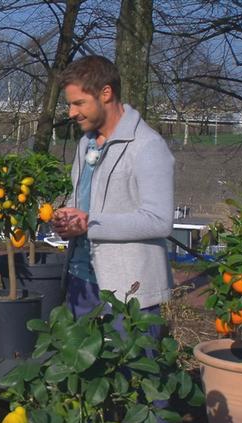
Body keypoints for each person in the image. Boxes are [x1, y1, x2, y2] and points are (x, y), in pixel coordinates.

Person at [52, 55, 175, 328]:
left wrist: (89, 223)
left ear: (106, 93)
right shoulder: (86, 144)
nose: (71, 113)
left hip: (129, 293)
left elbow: (160, 220)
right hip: (80, 282)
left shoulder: (148, 146)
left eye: (78, 103)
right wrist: (67, 217)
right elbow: (83, 198)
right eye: (70, 104)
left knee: (133, 370)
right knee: (83, 370)